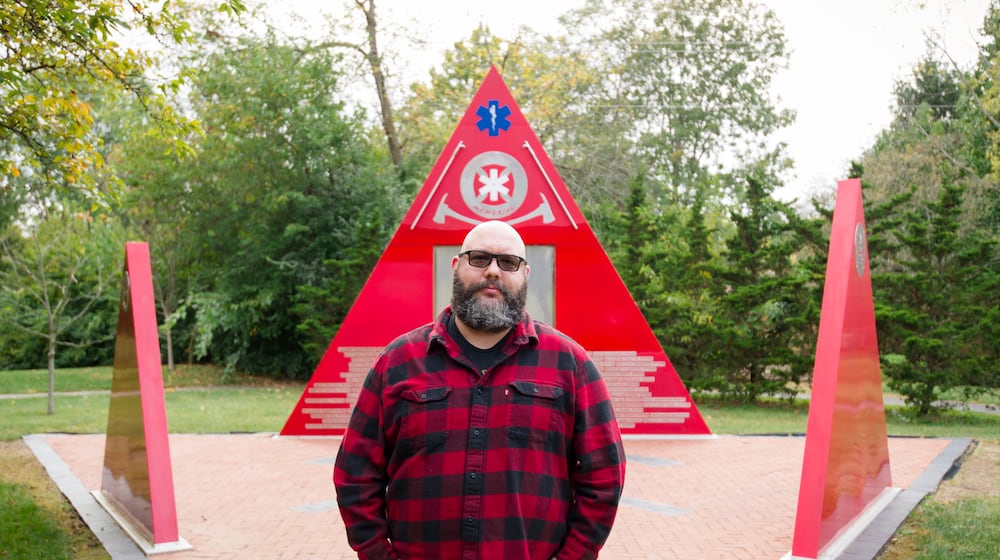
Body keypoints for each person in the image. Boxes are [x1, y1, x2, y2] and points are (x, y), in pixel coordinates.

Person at [334, 220, 626, 560]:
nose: (492, 271)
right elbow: (355, 474)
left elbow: (604, 476)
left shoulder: (570, 365)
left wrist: (573, 555)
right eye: (479, 258)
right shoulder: (397, 362)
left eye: (508, 262)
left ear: (526, 274)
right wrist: (376, 554)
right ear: (456, 266)